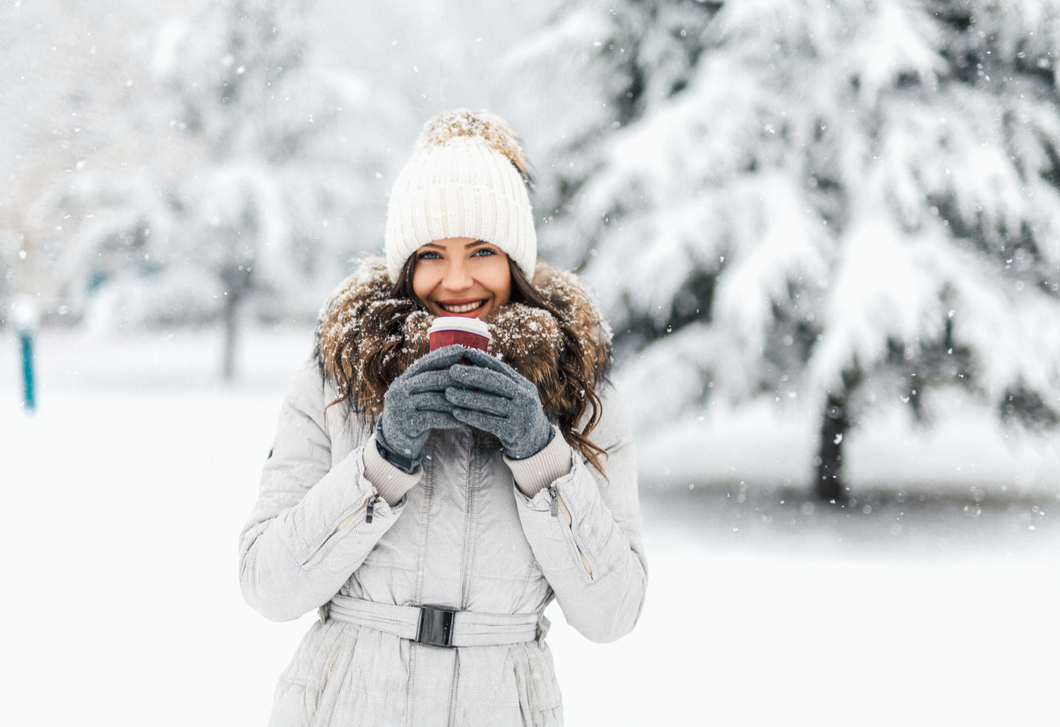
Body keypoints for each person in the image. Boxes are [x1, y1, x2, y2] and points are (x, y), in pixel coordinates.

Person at [239, 109, 647, 727]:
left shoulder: (579, 394)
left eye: (482, 250)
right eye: (432, 254)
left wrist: (541, 455)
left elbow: (613, 612)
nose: (457, 281)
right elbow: (268, 587)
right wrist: (382, 461)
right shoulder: (336, 382)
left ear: (516, 258)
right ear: (406, 265)